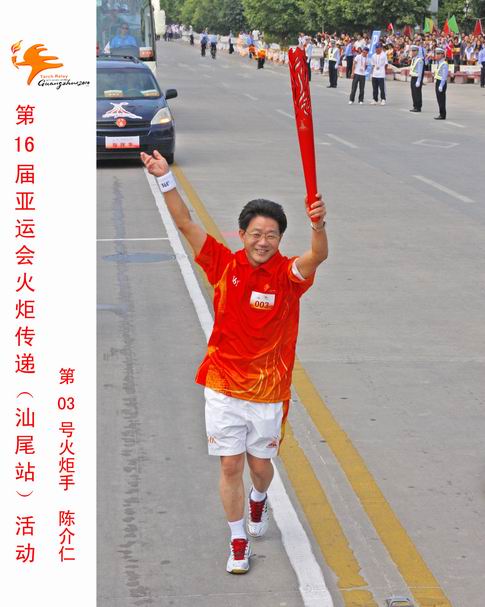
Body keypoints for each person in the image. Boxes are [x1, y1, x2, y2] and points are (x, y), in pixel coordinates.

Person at [140, 149, 328, 575]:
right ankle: (238, 540)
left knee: (260, 469)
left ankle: (259, 499)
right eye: (256, 233)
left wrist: (318, 226)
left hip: (267, 391)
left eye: (272, 235)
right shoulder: (224, 266)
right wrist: (165, 177)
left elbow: (317, 256)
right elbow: (186, 223)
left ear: (280, 239)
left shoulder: (287, 276)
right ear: (242, 234)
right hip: (223, 385)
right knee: (230, 465)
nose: (263, 242)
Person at [433, 48, 448, 120]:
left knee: (441, 99)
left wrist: (441, 85)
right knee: (439, 99)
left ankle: (442, 114)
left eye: (438, 54)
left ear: (442, 55)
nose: (437, 55)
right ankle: (441, 113)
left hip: (441, 82)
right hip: (438, 82)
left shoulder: (444, 64)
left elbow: (444, 76)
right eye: (436, 54)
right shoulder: (439, 63)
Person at [409, 45, 424, 112]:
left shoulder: (419, 60)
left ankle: (418, 107)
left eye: (414, 51)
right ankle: (415, 106)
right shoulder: (413, 59)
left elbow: (420, 72)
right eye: (412, 51)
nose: (412, 52)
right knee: (413, 92)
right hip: (413, 77)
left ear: (417, 51)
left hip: (417, 78)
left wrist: (418, 81)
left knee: (417, 93)